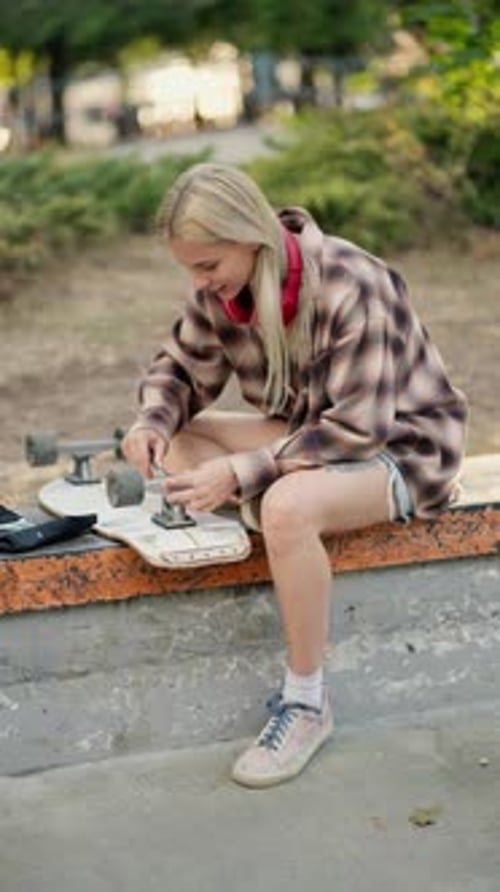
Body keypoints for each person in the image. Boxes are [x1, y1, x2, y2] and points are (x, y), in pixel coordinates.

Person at [122, 162, 468, 789]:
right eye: (191, 269)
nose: (200, 282)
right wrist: (151, 421)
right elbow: (180, 370)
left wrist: (243, 471)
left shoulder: (349, 281)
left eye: (207, 265)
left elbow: (358, 428)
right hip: (310, 435)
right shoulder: (223, 292)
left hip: (400, 449)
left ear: (251, 237)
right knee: (180, 441)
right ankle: (277, 501)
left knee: (285, 508)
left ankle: (307, 702)